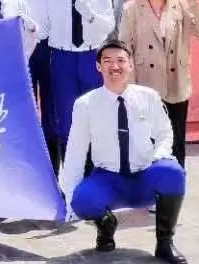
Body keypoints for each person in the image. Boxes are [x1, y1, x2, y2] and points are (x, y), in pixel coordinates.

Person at [60, 41, 187, 263]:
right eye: (107, 61)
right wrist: (71, 197)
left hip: (144, 174)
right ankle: (106, 226)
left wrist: (159, 156)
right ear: (98, 66)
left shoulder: (148, 97)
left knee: (173, 172)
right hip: (108, 179)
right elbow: (76, 151)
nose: (114, 66)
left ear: (130, 65)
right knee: (81, 200)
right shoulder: (85, 104)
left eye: (121, 61)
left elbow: (165, 133)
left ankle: (165, 243)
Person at [119, 0, 199, 167]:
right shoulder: (131, 8)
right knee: (148, 142)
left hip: (175, 83)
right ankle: (149, 182)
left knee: (176, 141)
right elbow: (125, 48)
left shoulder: (181, 6)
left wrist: (197, 9)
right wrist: (130, 88)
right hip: (146, 84)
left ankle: (176, 180)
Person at [41, 0, 115, 156]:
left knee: (96, 113)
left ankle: (98, 169)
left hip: (90, 56)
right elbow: (43, 28)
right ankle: (71, 171)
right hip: (61, 57)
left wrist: (91, 15)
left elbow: (108, 25)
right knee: (66, 117)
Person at [15, 0, 58, 173]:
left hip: (54, 49)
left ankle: (54, 168)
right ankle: (29, 166)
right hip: (28, 51)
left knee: (52, 108)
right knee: (28, 106)